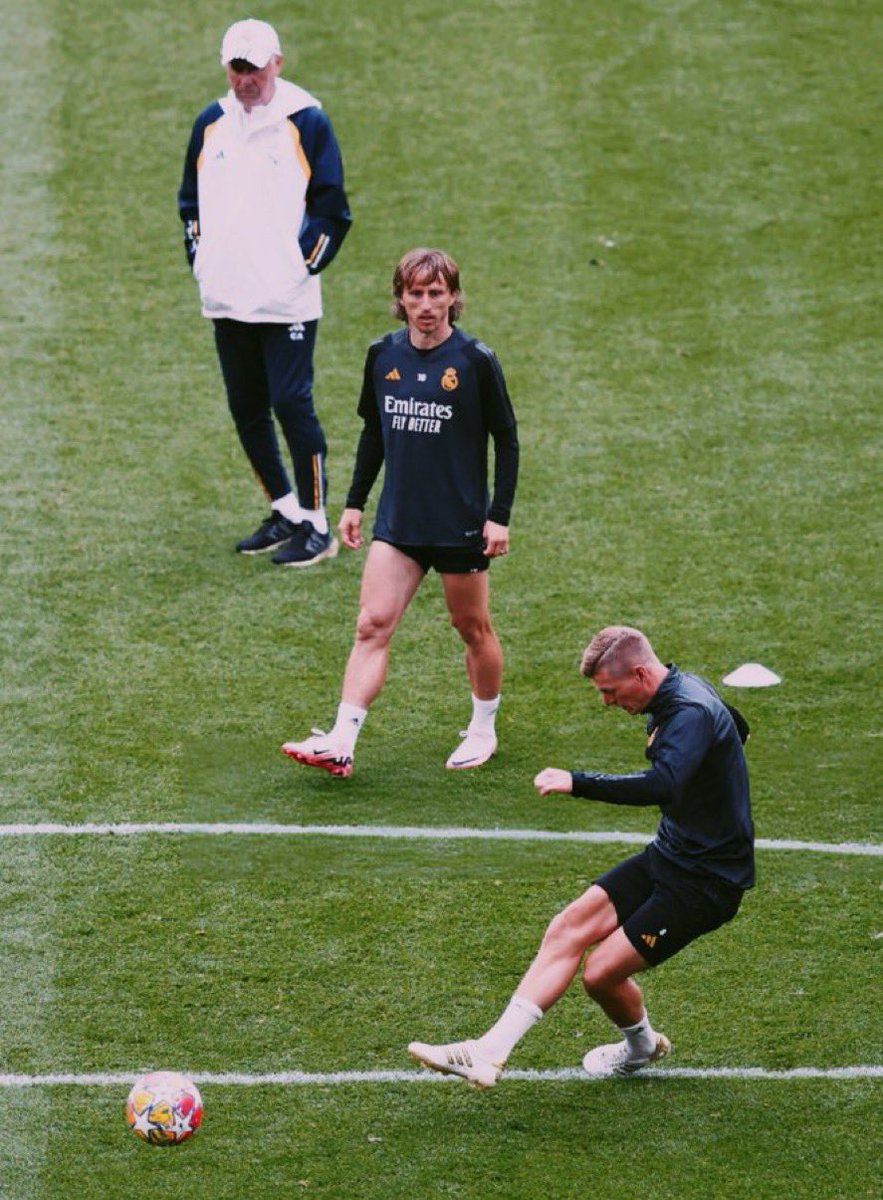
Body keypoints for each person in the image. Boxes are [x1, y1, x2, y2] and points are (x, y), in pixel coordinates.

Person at [409, 625, 754, 1084]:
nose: (607, 702)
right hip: (671, 854)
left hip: (707, 882)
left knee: (600, 976)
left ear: (639, 673)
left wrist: (578, 781)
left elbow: (663, 784)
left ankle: (640, 1047)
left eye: (610, 691)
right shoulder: (679, 692)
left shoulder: (688, 710)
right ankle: (487, 1052)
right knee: (568, 927)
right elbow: (739, 727)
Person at [281, 247, 519, 774]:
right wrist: (354, 503)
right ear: (401, 299)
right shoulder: (382, 356)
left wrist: (497, 515)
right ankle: (341, 739)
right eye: (416, 294)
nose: (427, 304)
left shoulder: (476, 360)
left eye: (437, 293)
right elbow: (374, 433)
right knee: (371, 625)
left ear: (454, 298)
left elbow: (506, 438)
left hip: (458, 525)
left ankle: (483, 728)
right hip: (400, 524)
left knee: (472, 627)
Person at [178, 18, 352, 566]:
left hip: (285, 300)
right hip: (228, 297)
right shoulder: (211, 123)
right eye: (237, 67)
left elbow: (332, 208)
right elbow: (191, 203)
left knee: (291, 404)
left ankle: (318, 523)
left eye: (254, 67)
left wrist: (300, 267)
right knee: (247, 407)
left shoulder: (306, 121)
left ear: (277, 62)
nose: (245, 78)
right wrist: (204, 263)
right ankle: (285, 510)